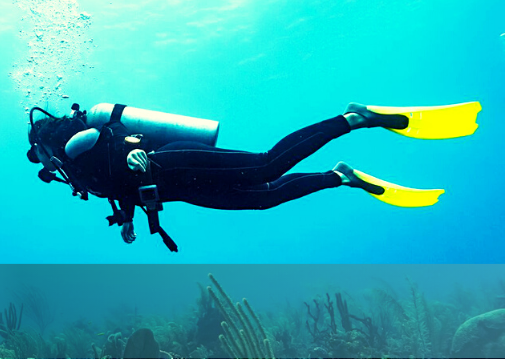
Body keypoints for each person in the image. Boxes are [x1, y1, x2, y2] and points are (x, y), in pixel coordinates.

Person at [27, 101, 481, 251]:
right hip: (177, 188)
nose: (44, 164)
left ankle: (352, 118)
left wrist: (133, 155)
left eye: (39, 156)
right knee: (263, 198)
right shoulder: (73, 173)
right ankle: (339, 176)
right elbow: (118, 186)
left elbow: (118, 138)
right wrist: (126, 217)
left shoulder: (72, 145)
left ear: (44, 145)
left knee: (266, 165)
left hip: (171, 163)